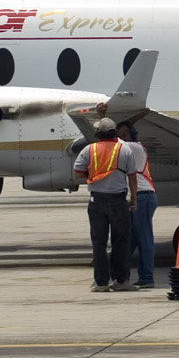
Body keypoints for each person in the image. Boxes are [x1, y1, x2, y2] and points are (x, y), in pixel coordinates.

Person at [73, 117, 142, 292]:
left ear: (98, 133)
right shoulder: (124, 150)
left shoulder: (89, 150)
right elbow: (132, 177)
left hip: (96, 201)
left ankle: (101, 283)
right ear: (113, 133)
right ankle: (121, 281)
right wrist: (134, 199)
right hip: (118, 201)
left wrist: (95, 173)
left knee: (99, 243)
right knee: (120, 242)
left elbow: (78, 173)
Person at [119, 123, 158, 289]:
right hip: (140, 197)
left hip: (143, 197)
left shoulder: (133, 147)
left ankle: (147, 277)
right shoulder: (131, 147)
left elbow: (112, 142)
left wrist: (101, 119)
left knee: (144, 238)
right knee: (131, 239)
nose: (121, 138)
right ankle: (119, 273)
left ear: (132, 136)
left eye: (124, 134)